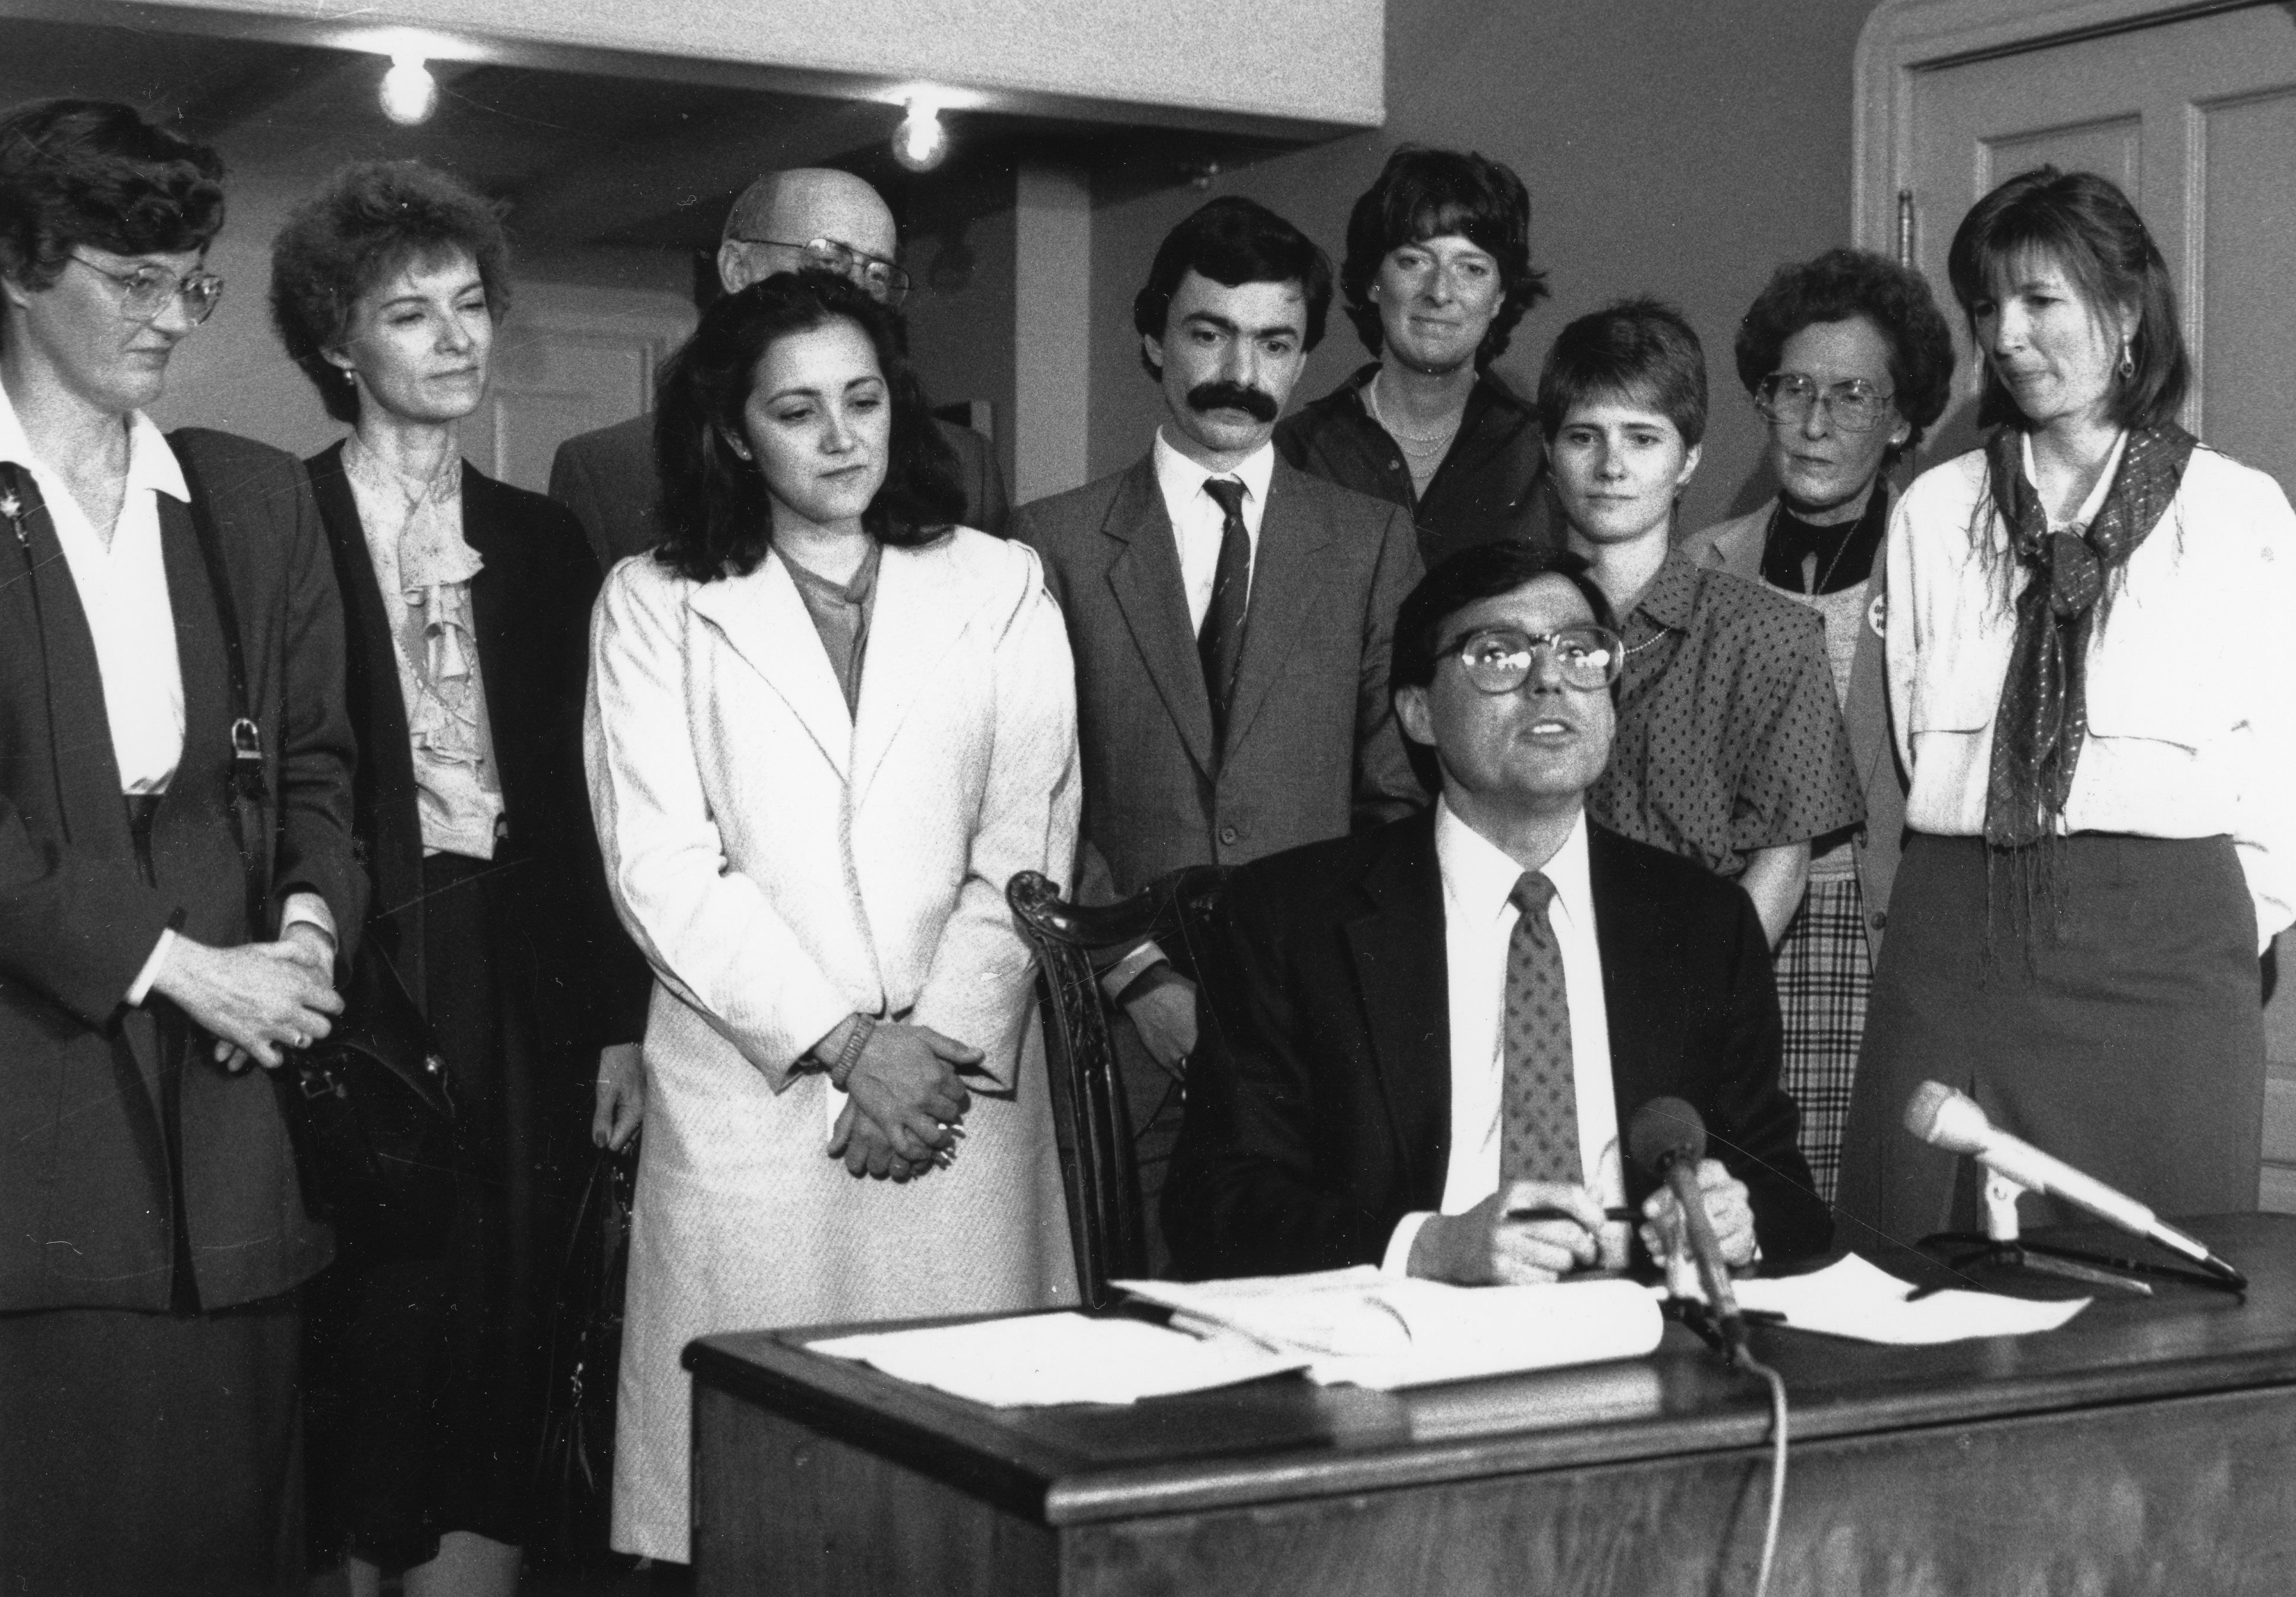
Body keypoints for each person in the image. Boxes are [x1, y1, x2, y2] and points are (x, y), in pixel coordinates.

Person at [586, 271, 1078, 1565]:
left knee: (969, 1504)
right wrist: (853, 1047)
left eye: (862, 401)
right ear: (735, 429)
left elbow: (1027, 844)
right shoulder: (654, 600)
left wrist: (931, 1046)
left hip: (955, 1106)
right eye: (798, 410)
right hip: (761, 1107)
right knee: (759, 1507)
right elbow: (661, 866)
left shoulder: (1001, 582)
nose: (841, 437)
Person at [269, 160, 652, 1595]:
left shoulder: (549, 539)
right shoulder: (272, 522)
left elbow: (594, 801)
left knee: (507, 1321)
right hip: (361, 972)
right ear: (333, 343)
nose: (455, 336)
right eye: (409, 311)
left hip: (523, 977)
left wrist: (621, 1016)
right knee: (365, 1319)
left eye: (472, 303)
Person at [0, 99, 362, 1592]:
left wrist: (302, 939)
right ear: (20, 267)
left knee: (239, 1542)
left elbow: (326, 770)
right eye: (130, 281)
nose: (172, 318)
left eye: (191, 281)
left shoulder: (252, 497)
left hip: (241, 1150)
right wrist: (169, 964)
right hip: (42, 1145)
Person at [1163, 541, 1831, 1283]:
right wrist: (1427, 1246)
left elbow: (1787, 1195)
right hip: (1405, 1339)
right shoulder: (1291, 917)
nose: (1550, 680)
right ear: (1418, 712)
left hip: (1648, 1330)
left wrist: (1739, 1223)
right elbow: (1213, 1206)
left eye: (1581, 653)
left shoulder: (1703, 920)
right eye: (1499, 655)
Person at [1837, 167, 2296, 1243]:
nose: (2005, 335)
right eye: (1986, 307)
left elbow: (2282, 763)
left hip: (2162, 958)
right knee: (1920, 1262)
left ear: (2125, 310)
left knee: (2152, 1292)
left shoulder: (2236, 513)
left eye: (2039, 301)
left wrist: (2221, 926)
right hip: (1956, 941)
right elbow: (1910, 740)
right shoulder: (1933, 511)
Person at [1011, 196, 1424, 1273]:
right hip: (1121, 1025)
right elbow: (1035, 794)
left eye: (1273, 342)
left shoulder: (1370, 542)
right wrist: (1140, 978)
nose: (1241, 370)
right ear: (1153, 338)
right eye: (1209, 333)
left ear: (1300, 360)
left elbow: (1395, 800)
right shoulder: (1048, 542)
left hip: (1313, 1039)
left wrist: (1317, 997)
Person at [1679, 249, 1955, 1204]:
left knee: (1857, 1221)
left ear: (1905, 417)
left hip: (1874, 944)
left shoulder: (1941, 572)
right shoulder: (1703, 564)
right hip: (1730, 938)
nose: (1815, 420)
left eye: (1853, 394)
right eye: (1794, 386)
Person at [1543, 298, 1863, 951]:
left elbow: (1783, 863)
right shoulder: (1512, 629)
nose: (1611, 466)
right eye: (1584, 436)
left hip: (1696, 986)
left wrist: (1698, 1007)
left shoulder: (1771, 638)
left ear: (1687, 459)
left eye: (1642, 437)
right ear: (1548, 454)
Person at [548, 167, 1008, 566]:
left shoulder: (968, 463)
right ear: (737, 268)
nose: (853, 292)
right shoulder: (606, 469)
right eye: (827, 260)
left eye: (878, 274)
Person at [1275, 145, 1559, 569]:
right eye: (1413, 261)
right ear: (1373, 279)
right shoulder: (1298, 450)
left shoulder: (1543, 449)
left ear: (1500, 295)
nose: (1440, 291)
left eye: (1472, 268)